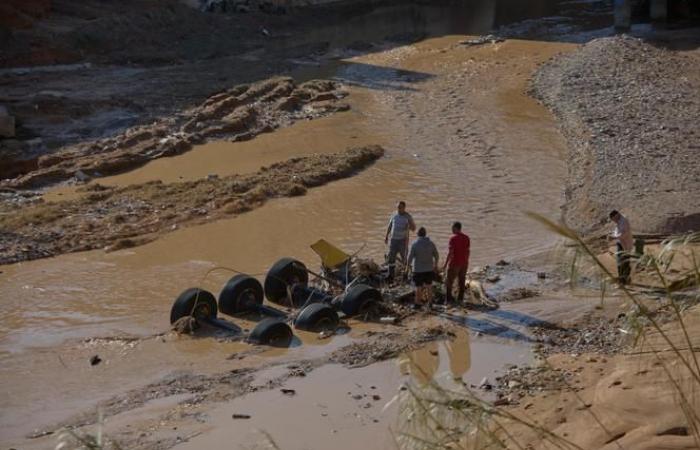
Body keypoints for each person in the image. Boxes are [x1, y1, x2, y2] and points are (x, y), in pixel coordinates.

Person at [408, 227, 439, 308]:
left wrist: (407, 267)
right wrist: (435, 265)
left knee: (418, 287)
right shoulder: (431, 243)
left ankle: (417, 303)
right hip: (429, 269)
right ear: (425, 234)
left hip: (418, 270)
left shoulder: (414, 244)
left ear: (418, 234)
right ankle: (430, 303)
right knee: (429, 286)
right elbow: (437, 255)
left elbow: (410, 258)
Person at [384, 201, 416, 281]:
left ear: (404, 208)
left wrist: (409, 226)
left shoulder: (408, 217)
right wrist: (386, 236)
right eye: (398, 207)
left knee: (404, 258)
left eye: (400, 207)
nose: (398, 209)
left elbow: (414, 228)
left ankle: (406, 274)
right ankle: (391, 275)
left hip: (402, 241)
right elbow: (390, 225)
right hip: (393, 240)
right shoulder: (394, 215)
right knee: (391, 257)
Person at [442, 221, 470, 304]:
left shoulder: (453, 239)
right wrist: (466, 261)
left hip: (455, 263)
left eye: (452, 228)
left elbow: (450, 252)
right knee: (461, 281)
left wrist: (445, 264)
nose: (451, 230)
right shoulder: (466, 237)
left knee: (449, 281)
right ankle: (460, 299)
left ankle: (448, 300)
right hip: (464, 263)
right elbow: (468, 251)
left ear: (456, 228)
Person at [610, 210, 633, 285]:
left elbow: (624, 233)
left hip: (625, 245)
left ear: (616, 216)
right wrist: (612, 235)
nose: (614, 221)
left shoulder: (624, 221)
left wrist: (614, 237)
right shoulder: (619, 221)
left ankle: (625, 279)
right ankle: (622, 278)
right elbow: (617, 232)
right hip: (620, 244)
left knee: (624, 262)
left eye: (614, 219)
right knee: (620, 262)